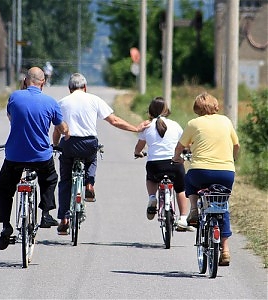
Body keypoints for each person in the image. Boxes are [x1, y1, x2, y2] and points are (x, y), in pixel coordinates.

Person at [53, 73, 150, 235]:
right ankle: (89, 183)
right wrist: (136, 128)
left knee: (65, 181)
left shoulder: (62, 103)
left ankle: (63, 219)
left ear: (70, 89)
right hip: (89, 143)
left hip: (69, 144)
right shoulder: (94, 100)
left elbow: (57, 129)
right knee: (92, 159)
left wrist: (55, 146)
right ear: (85, 87)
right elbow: (114, 120)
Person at [0, 66, 70, 250]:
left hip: (14, 156)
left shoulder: (14, 97)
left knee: (3, 189)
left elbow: (12, 118)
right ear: (43, 82)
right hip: (41, 156)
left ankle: (6, 225)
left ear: (25, 81)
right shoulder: (51, 102)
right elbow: (62, 129)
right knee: (50, 179)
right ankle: (45, 212)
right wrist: (66, 136)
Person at [172, 92, 240, 266]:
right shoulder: (226, 121)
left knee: (188, 179)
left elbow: (180, 146)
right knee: (222, 206)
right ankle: (225, 250)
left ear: (197, 108)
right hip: (226, 173)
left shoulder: (193, 123)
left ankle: (194, 209)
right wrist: (232, 160)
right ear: (215, 105)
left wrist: (176, 158)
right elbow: (236, 145)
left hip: (200, 172)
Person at [134, 97, 193, 231]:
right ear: (166, 110)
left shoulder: (146, 126)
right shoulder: (175, 125)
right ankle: (183, 218)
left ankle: (152, 197)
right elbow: (184, 144)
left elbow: (139, 148)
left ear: (150, 111)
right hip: (174, 164)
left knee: (151, 178)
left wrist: (138, 153)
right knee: (180, 189)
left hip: (155, 165)